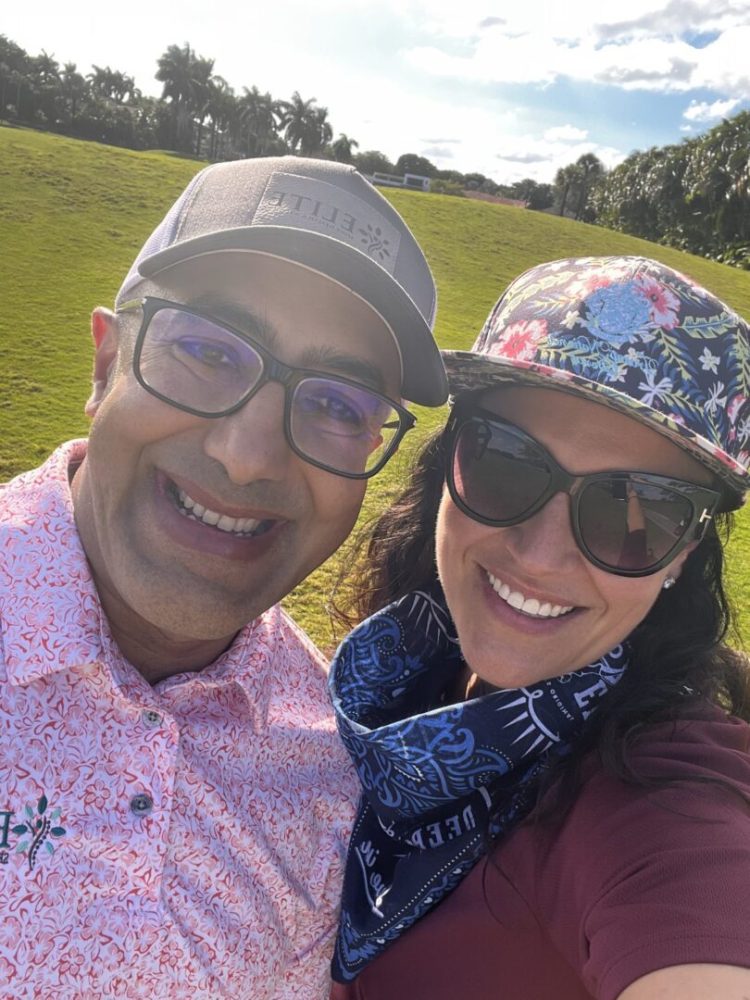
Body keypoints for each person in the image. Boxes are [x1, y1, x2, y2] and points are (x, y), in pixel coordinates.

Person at [0, 155, 447, 998]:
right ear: (106, 366)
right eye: (206, 350)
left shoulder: (332, 770)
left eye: (337, 406)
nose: (246, 459)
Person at [328, 256, 750, 1000]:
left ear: (683, 553)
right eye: (507, 463)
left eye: (635, 510)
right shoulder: (406, 667)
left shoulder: (663, 798)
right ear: (448, 461)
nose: (539, 557)